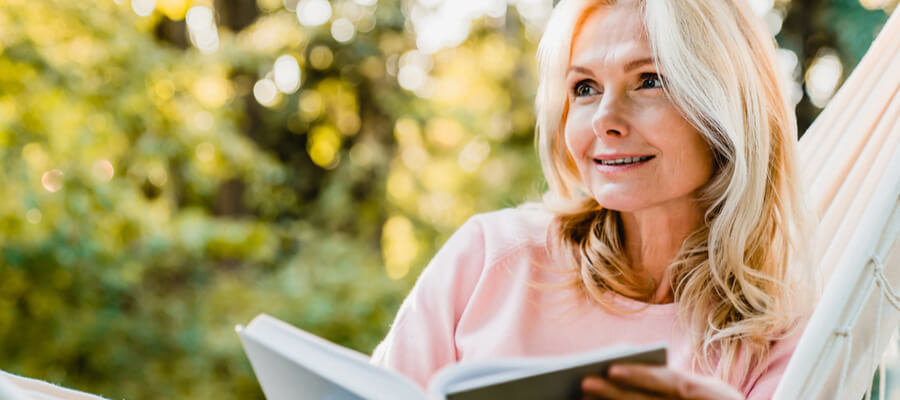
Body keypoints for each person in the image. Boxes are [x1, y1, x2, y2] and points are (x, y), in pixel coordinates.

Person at [371, 0, 814, 398]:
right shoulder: (490, 257)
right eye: (585, 87)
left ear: (726, 107)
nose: (605, 119)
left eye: (649, 80)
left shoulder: (777, 335)